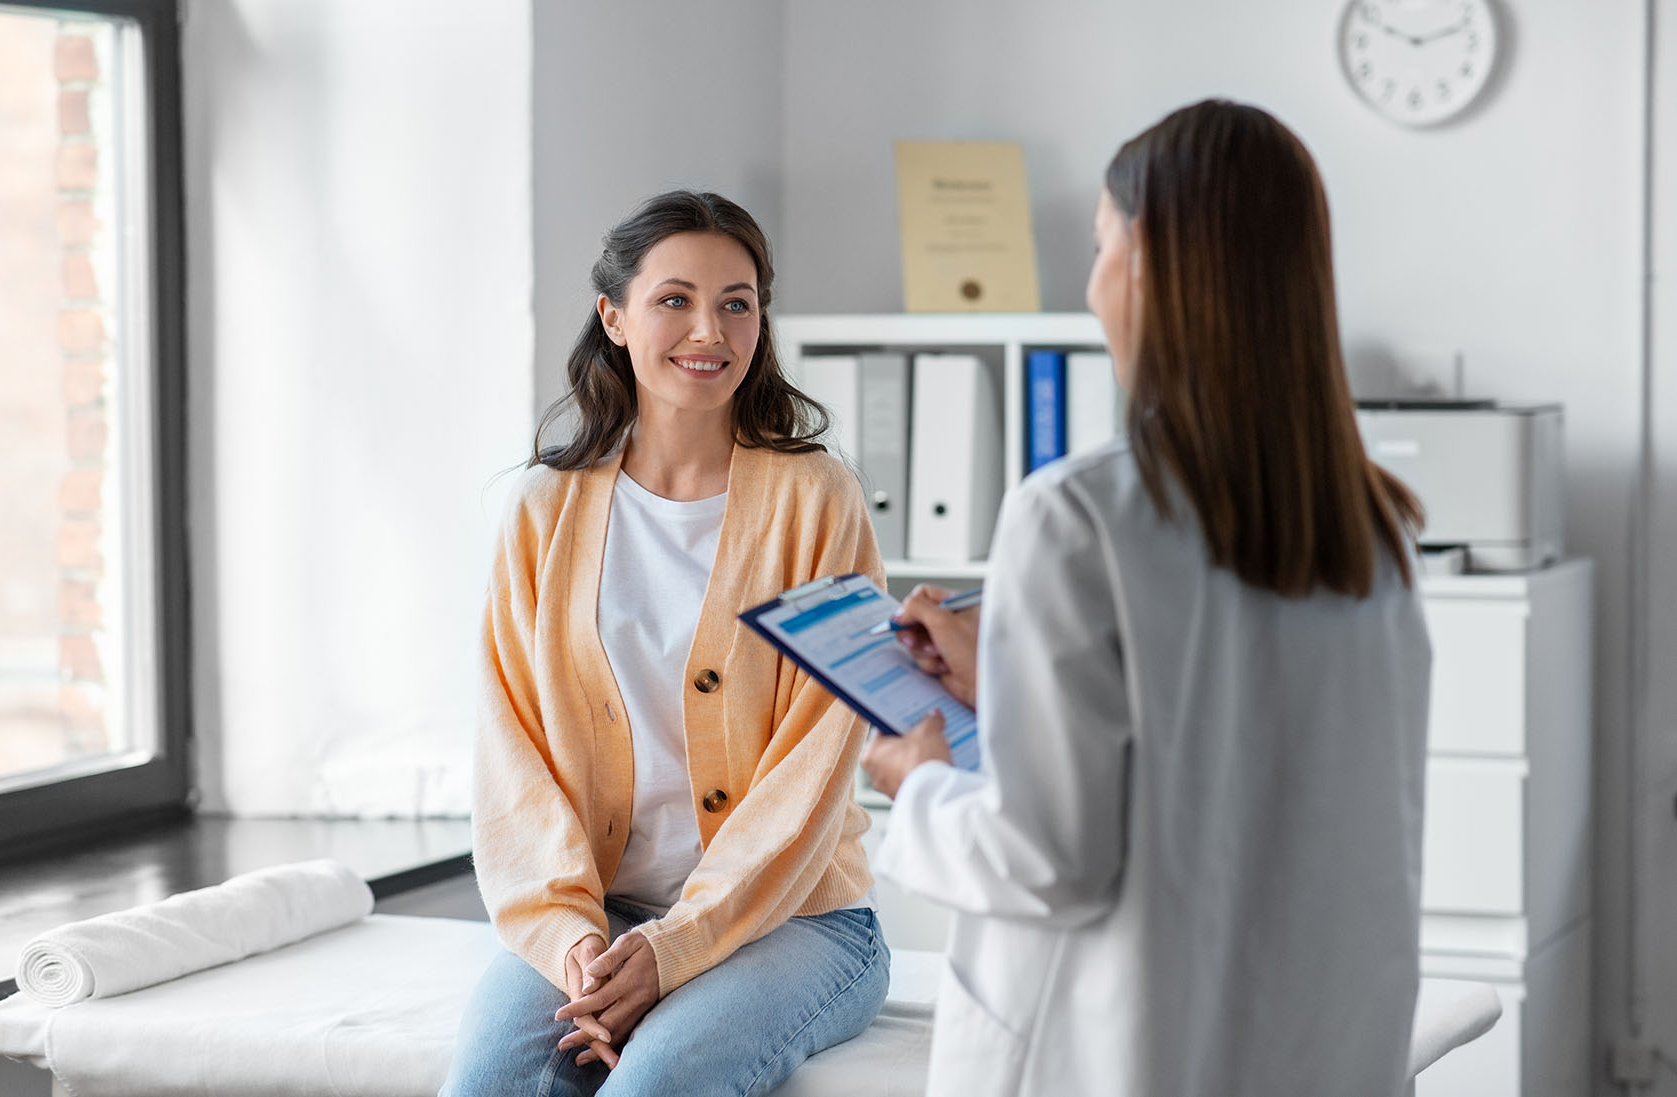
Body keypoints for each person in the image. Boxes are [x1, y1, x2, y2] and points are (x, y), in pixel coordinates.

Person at [861, 99, 1433, 1097]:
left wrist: (917, 782)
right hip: (1314, 1051)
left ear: (1152, 258)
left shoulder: (1075, 514)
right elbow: (1231, 756)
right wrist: (1008, 688)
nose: (1090, 288)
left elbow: (1049, 858)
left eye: (1098, 246)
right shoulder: (1370, 528)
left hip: (1125, 1052)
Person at [442, 190, 890, 1097]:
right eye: (675, 299)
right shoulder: (542, 510)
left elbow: (821, 758)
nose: (709, 329)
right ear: (613, 316)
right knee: (491, 1083)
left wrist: (676, 946)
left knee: (655, 1084)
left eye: (737, 302)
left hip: (798, 920)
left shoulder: (820, 500)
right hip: (593, 915)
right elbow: (510, 751)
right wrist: (576, 944)